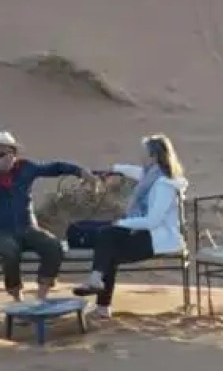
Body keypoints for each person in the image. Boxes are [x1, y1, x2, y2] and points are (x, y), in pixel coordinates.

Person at [73, 134, 188, 318]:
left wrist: (121, 223)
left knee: (108, 238)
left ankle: (97, 286)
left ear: (153, 157)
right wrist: (112, 170)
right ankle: (99, 295)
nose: (140, 157)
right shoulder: (151, 176)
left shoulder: (164, 185)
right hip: (140, 231)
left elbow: (153, 221)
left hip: (156, 239)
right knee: (84, 230)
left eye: (144, 153)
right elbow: (134, 171)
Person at [0, 130, 93, 301]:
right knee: (10, 252)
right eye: (1, 154)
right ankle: (17, 297)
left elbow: (53, 168)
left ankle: (41, 297)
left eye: (11, 153)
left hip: (27, 228)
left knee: (54, 246)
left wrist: (79, 171)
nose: (7, 157)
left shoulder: (25, 169)